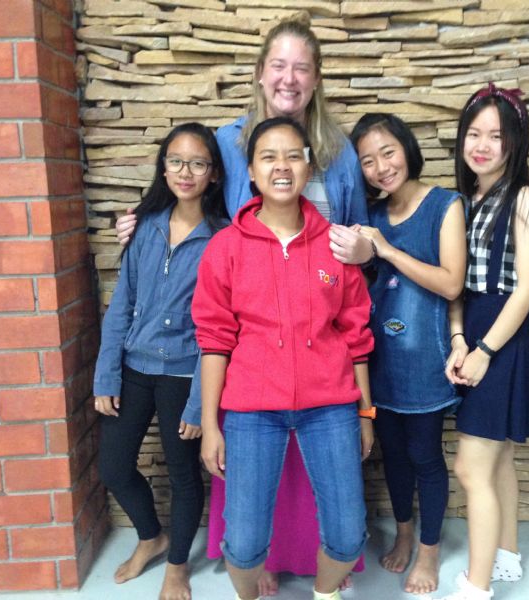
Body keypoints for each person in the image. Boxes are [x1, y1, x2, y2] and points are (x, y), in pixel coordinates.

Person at [114, 13, 372, 596]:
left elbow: (358, 261)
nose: (289, 77)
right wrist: (143, 220)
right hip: (255, 381)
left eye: (301, 67)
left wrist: (363, 250)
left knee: (341, 523)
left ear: (317, 78)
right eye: (278, 65)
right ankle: (259, 574)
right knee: (249, 530)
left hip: (324, 368)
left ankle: (321, 583)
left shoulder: (339, 155)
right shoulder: (229, 154)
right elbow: (188, 187)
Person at [194, 116, 375, 600]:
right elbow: (214, 341)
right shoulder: (225, 248)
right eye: (268, 157)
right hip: (252, 410)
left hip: (330, 406)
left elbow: (356, 336)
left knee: (347, 534)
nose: (282, 166)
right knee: (244, 544)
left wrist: (366, 413)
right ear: (251, 172)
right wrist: (211, 425)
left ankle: (325, 593)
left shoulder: (336, 245)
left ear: (308, 168)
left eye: (294, 156)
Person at [93, 123, 228, 600]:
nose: (185, 171)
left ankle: (177, 566)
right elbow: (122, 304)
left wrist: (199, 405)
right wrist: (106, 374)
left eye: (198, 163)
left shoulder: (222, 238)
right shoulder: (144, 226)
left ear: (214, 174)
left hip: (186, 374)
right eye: (176, 161)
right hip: (134, 367)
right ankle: (151, 537)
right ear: (164, 167)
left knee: (183, 476)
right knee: (113, 467)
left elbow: (219, 328)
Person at [438, 84, 529, 600]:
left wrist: (485, 351)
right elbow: (456, 285)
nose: (482, 145)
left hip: (504, 333)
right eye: (474, 134)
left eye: (496, 136)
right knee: (500, 456)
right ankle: (507, 557)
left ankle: (476, 588)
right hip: (474, 328)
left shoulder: (524, 197)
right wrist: (459, 339)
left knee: (471, 466)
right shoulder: (465, 202)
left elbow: (527, 287)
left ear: (515, 143)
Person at [348, 113, 466, 596]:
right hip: (379, 363)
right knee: (392, 457)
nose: (381, 167)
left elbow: (452, 283)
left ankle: (430, 551)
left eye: (388, 152)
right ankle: (403, 534)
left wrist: (387, 251)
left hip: (426, 363)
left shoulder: (445, 205)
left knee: (424, 455)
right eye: (367, 161)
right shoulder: (370, 214)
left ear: (407, 149)